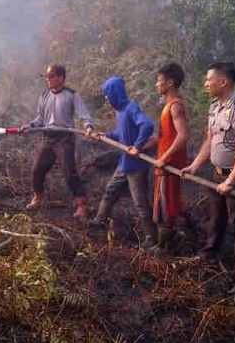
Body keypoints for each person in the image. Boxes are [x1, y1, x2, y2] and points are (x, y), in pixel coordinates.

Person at [181, 62, 235, 295]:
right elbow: (209, 141)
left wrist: (231, 181)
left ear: (223, 82)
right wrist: (195, 165)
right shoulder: (215, 107)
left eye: (208, 80)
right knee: (214, 218)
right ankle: (209, 257)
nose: (205, 84)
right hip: (217, 174)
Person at [21, 64, 94, 218]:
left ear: (61, 78)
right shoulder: (44, 95)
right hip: (48, 137)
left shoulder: (71, 95)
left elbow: (84, 114)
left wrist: (88, 127)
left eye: (51, 76)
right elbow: (40, 118)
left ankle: (82, 205)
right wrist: (31, 125)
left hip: (64, 138)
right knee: (37, 169)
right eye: (47, 76)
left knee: (69, 172)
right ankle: (38, 198)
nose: (48, 79)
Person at [88, 77, 155, 240]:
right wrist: (107, 135)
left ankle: (151, 238)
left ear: (115, 93)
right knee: (110, 191)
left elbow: (147, 125)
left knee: (140, 202)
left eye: (107, 94)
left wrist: (138, 146)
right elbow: (123, 134)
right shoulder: (120, 110)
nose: (106, 98)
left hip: (136, 166)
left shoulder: (131, 108)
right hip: (125, 163)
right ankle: (99, 222)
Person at [141, 62, 190, 256]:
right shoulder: (168, 106)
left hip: (170, 167)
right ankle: (176, 238)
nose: (156, 85)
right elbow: (164, 136)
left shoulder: (175, 106)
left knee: (166, 207)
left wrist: (165, 158)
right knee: (168, 203)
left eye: (159, 81)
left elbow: (183, 135)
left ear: (170, 83)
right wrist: (140, 148)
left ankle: (162, 249)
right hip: (165, 165)